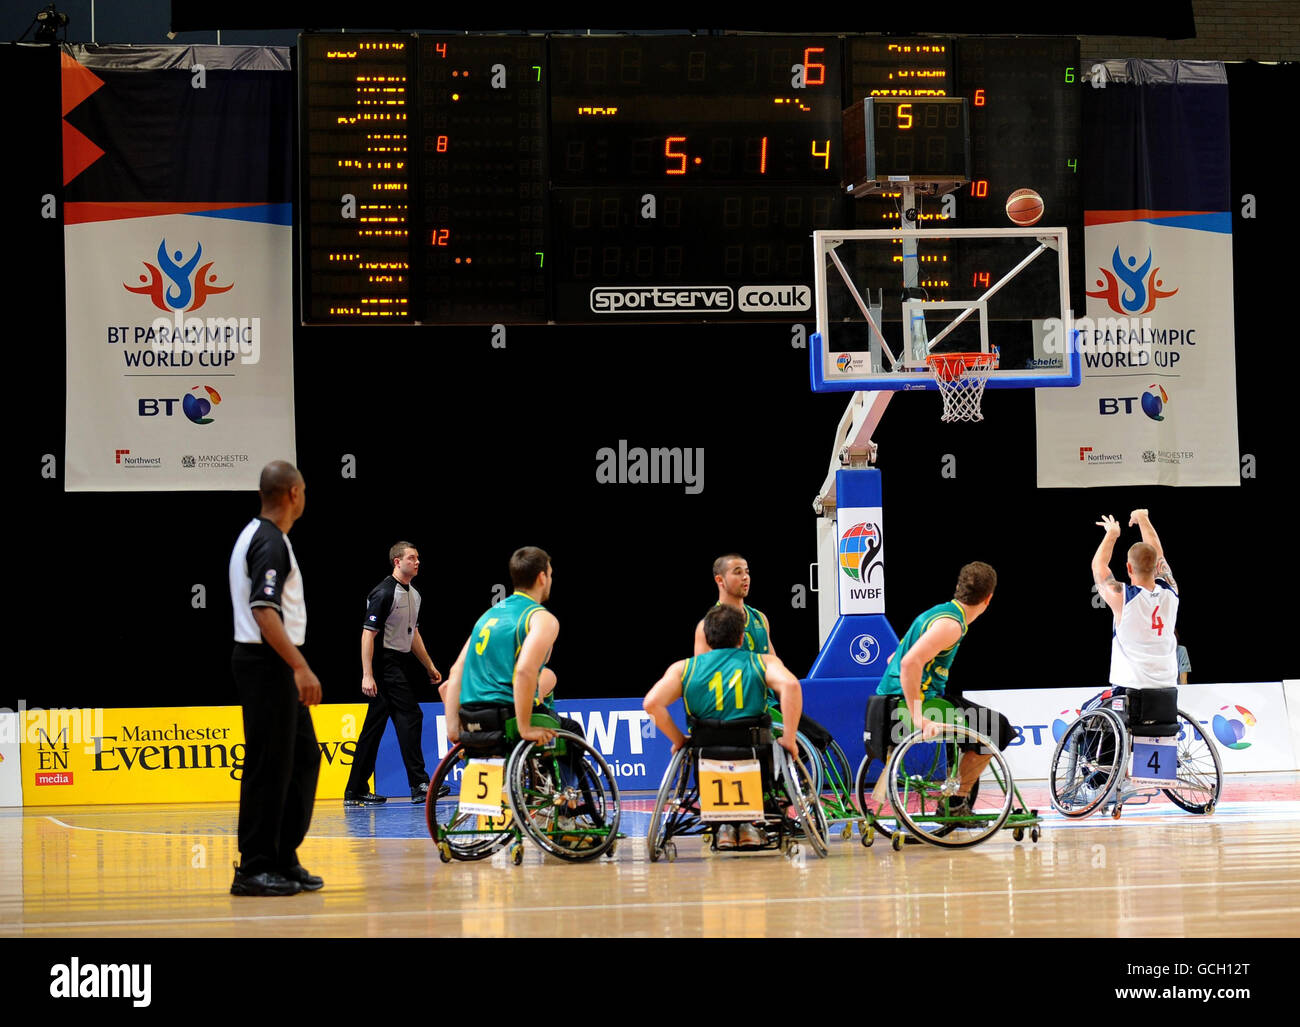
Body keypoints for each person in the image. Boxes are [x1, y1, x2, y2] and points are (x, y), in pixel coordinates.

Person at [227, 460, 323, 896]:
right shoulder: (269, 542)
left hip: (268, 663)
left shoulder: (262, 536)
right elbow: (263, 610)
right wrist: (299, 666)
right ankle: (254, 866)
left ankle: (283, 857)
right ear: (293, 494)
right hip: (266, 664)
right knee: (269, 766)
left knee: (302, 758)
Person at [644, 604, 804, 851]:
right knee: (769, 750)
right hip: (754, 751)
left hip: (707, 754)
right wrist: (790, 738)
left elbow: (652, 704)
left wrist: (678, 739)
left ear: (707, 638)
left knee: (703, 752)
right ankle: (749, 826)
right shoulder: (762, 662)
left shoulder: (684, 668)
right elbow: (792, 687)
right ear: (741, 637)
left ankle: (725, 829)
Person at [875, 561, 1009, 814]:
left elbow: (892, 659)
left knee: (979, 722)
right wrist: (918, 716)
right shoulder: (951, 625)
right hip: (909, 704)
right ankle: (957, 802)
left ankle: (958, 789)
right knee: (996, 728)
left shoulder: (938, 612)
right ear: (989, 599)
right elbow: (908, 663)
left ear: (958, 587)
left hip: (892, 698)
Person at [442, 547, 569, 752]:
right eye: (551, 575)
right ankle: (569, 785)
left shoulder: (489, 616)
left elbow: (456, 672)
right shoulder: (540, 617)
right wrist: (525, 728)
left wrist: (454, 730)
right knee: (572, 731)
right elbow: (524, 671)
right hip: (505, 714)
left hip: (472, 717)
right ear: (542, 577)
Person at [344, 542, 442, 807]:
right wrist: (367, 674)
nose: (418, 561)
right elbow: (368, 634)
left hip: (400, 661)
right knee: (410, 716)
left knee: (373, 729)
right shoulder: (384, 592)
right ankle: (420, 784)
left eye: (419, 557)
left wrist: (429, 665)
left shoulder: (415, 595)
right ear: (397, 562)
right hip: (384, 663)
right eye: (412, 558)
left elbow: (413, 635)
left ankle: (354, 789)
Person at [1090, 508, 1180, 693]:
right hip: (1168, 690)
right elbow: (1158, 551)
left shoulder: (1123, 597)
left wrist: (1112, 534)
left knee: (1086, 710)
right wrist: (1142, 517)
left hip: (1130, 691)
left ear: (1129, 568)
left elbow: (1098, 566)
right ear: (1157, 566)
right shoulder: (1170, 591)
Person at [693, 554, 774, 657]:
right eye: (738, 572)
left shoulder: (760, 618)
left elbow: (774, 662)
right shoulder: (705, 626)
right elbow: (703, 671)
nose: (745, 577)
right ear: (720, 580)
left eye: (747, 572)